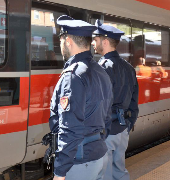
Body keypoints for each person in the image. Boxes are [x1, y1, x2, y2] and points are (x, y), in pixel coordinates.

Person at [50, 15, 113, 180]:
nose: (61, 45)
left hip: (79, 161)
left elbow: (70, 127)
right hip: (98, 155)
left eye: (61, 40)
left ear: (68, 40)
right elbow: (107, 116)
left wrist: (60, 171)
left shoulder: (73, 76)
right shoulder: (100, 71)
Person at [92, 20, 139, 180]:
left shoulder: (102, 68)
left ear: (105, 42)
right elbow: (134, 102)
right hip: (122, 129)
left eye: (95, 39)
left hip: (108, 131)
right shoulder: (128, 67)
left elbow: (99, 103)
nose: (93, 43)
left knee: (104, 174)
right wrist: (128, 124)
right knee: (119, 171)